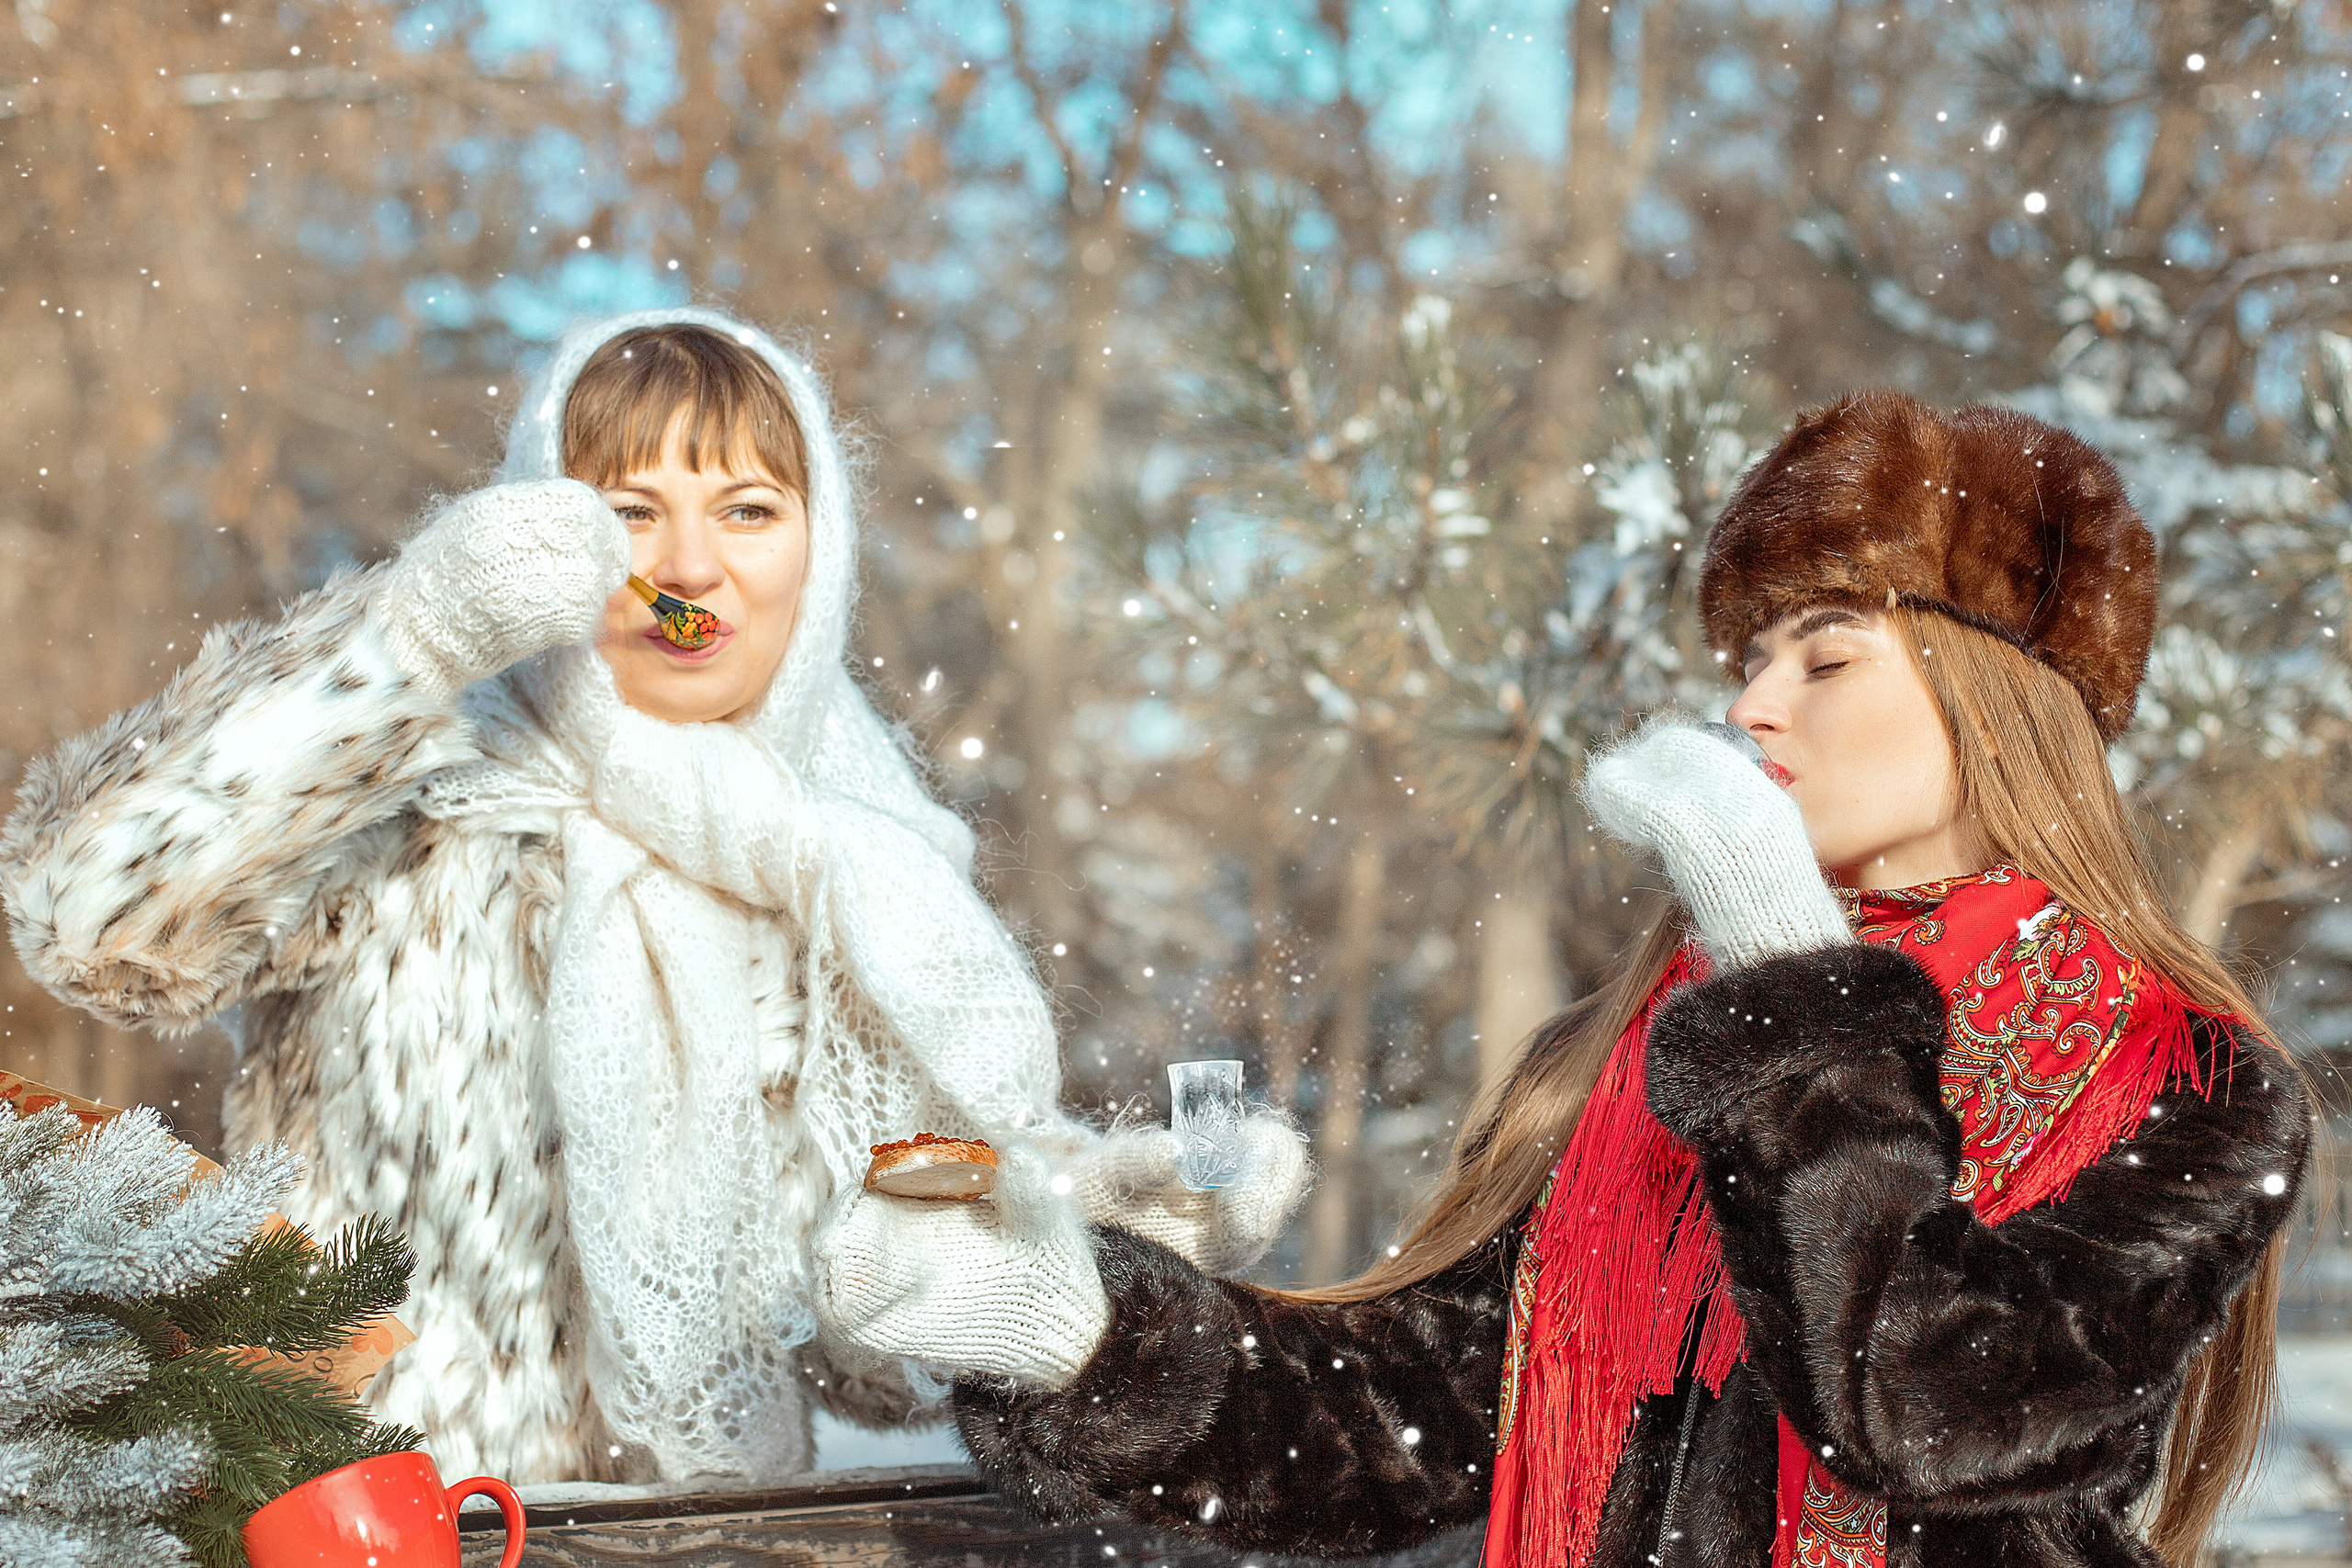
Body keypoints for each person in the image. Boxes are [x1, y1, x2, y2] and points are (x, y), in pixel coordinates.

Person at [813, 390, 2312, 1567]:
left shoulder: (2184, 1076)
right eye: (1747, 655)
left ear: (1994, 699)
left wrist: (1789, 973)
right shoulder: (1645, 1060)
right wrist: (1069, 1328)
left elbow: (1920, 1406)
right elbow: (1395, 1425)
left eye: (1824, 658)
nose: (1749, 702)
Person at [0, 308, 1306, 1485]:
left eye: (748, 509)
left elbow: (879, 1340)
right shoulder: (420, 787)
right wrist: (411, 638)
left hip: (709, 1536)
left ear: (818, 546)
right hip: (384, 1524)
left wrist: (1113, 1241)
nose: (690, 566)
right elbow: (91, 923)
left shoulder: (858, 868)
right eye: (629, 510)